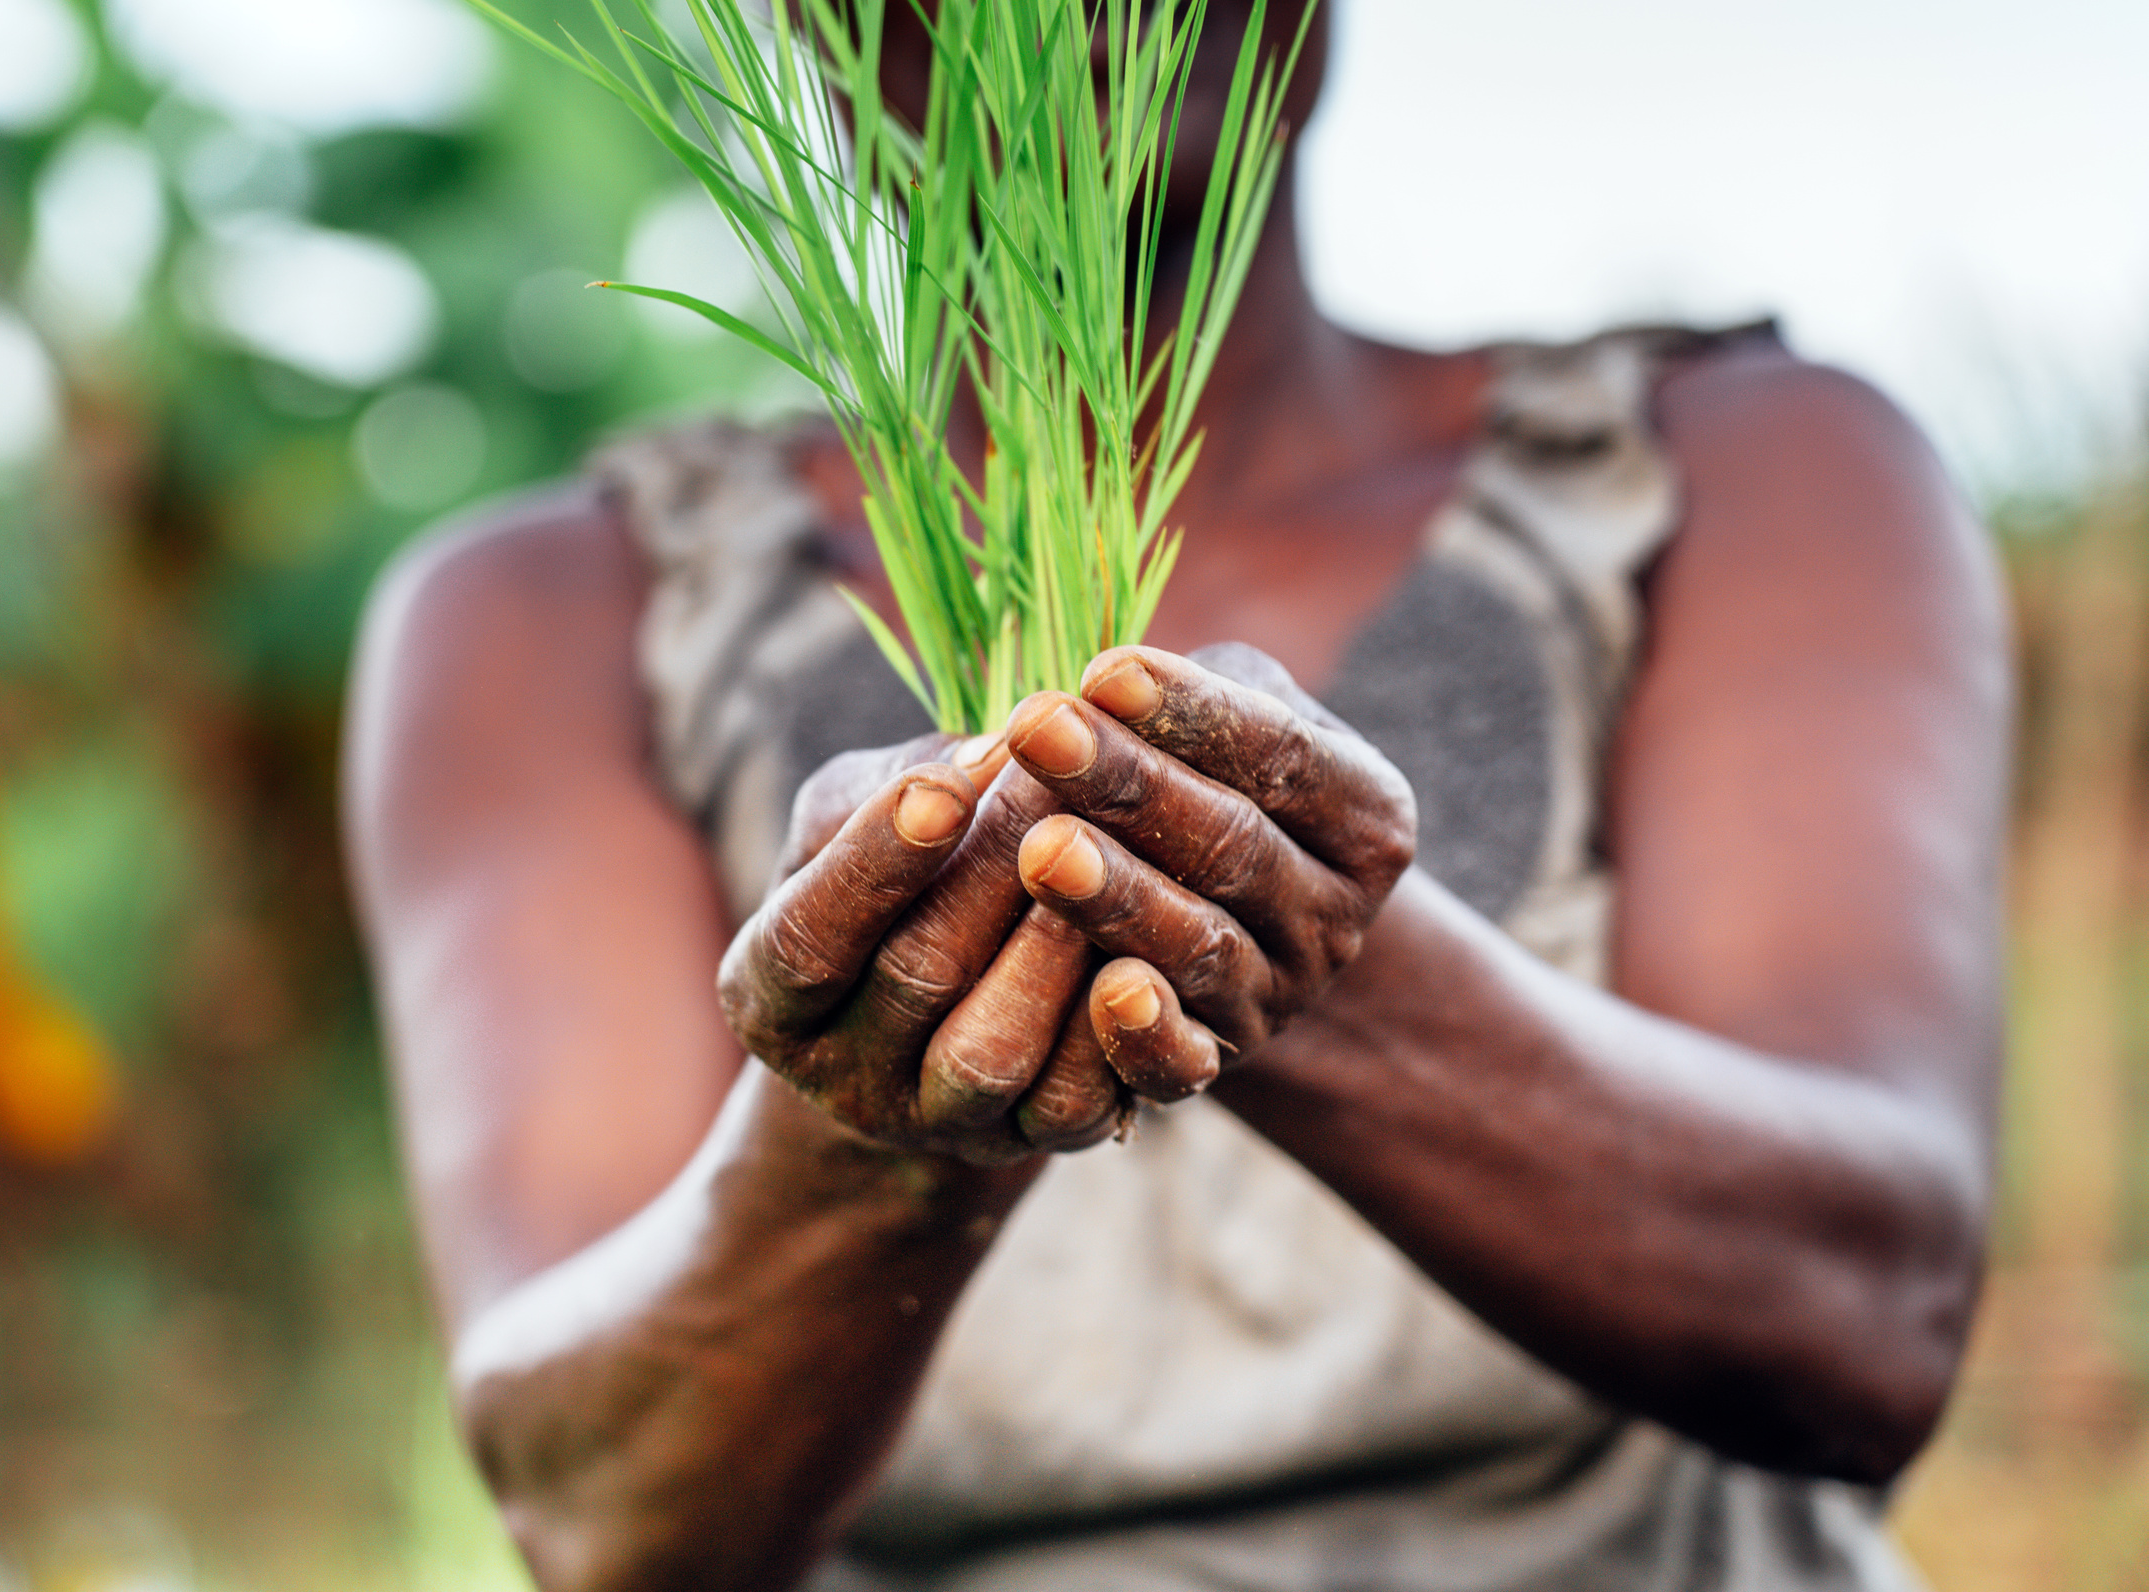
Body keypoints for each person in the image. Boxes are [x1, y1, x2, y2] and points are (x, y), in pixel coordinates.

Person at [340, 0, 2009, 1583]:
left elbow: (1871, 1312)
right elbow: (596, 1513)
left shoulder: (1738, 477)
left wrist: (1281, 944)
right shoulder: (556, 621)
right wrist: (864, 1140)